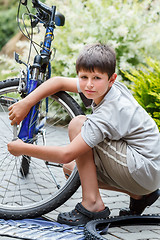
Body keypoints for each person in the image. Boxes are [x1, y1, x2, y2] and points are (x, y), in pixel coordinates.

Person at [7, 43, 160, 226]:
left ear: (111, 79)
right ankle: (139, 195)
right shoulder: (103, 88)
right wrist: (27, 102)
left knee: (78, 124)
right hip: (146, 174)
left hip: (145, 167)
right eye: (84, 77)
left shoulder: (109, 111)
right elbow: (59, 82)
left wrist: (24, 148)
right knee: (71, 169)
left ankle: (92, 204)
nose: (89, 84)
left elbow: (66, 153)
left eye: (96, 78)